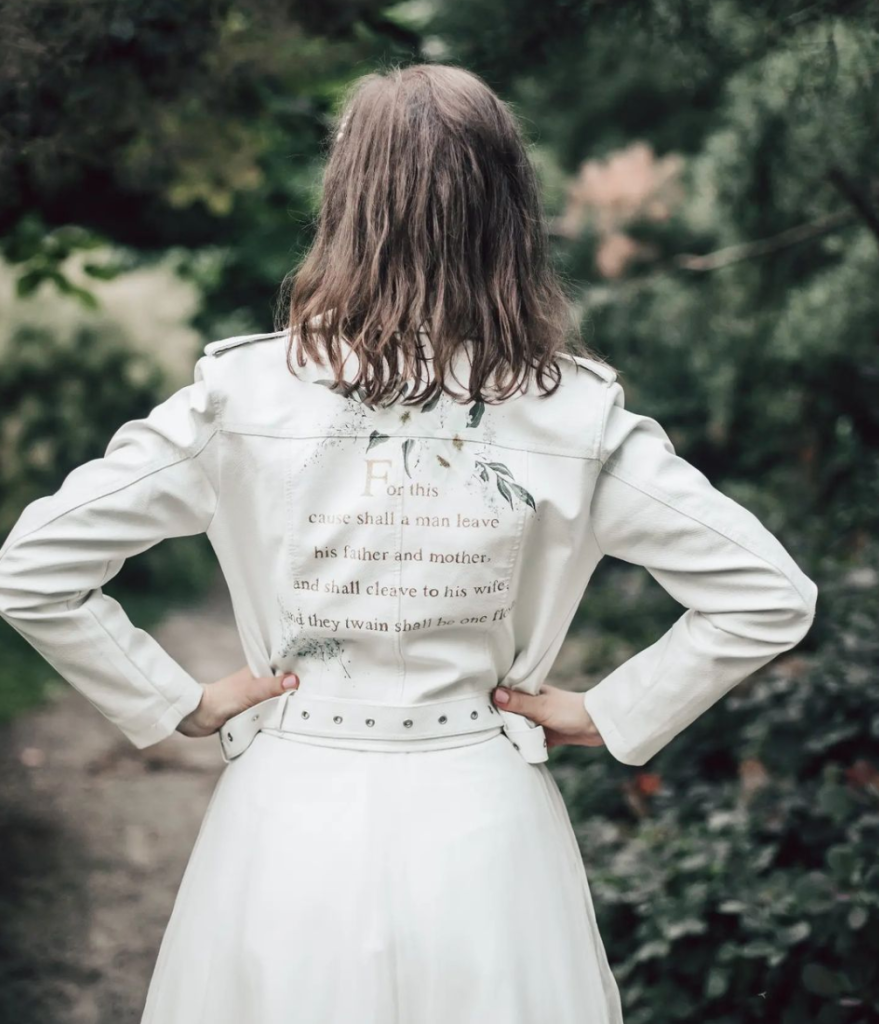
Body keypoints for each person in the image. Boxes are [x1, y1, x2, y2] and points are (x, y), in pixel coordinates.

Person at [0, 64, 817, 1024]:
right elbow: (767, 591)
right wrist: (610, 713)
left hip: (290, 813)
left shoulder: (238, 398)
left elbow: (32, 569)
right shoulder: (576, 416)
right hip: (483, 819)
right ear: (510, 210)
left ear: (344, 203)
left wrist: (179, 702)